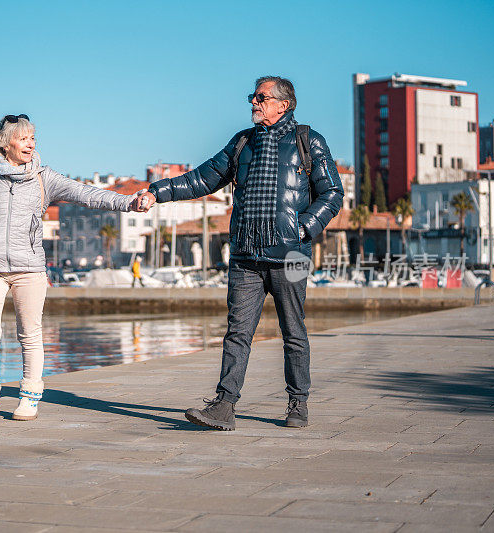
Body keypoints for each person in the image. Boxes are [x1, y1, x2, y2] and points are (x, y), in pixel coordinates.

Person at [135, 76, 343, 430]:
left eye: (261, 97)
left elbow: (333, 194)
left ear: (284, 104)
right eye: (253, 96)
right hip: (246, 255)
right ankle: (224, 406)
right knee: (237, 332)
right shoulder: (242, 142)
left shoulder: (309, 141)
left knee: (294, 329)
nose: (254, 103)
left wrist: (303, 227)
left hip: (293, 257)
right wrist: (158, 191)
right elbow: (202, 179)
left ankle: (298, 404)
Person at [0, 114, 141, 423]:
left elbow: (88, 195)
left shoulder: (44, 177)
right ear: (6, 143)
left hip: (30, 269)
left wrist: (128, 203)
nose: (32, 143)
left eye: (33, 138)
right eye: (24, 138)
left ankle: (29, 398)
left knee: (29, 334)